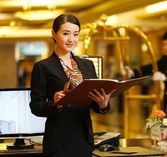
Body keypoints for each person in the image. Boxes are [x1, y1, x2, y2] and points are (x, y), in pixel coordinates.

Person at [30, 14, 115, 157]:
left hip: (83, 139)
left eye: (76, 34)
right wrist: (55, 104)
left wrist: (103, 104)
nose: (71, 39)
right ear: (54, 34)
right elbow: (35, 105)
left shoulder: (87, 65)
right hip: (58, 141)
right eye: (66, 34)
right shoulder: (42, 67)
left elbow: (93, 102)